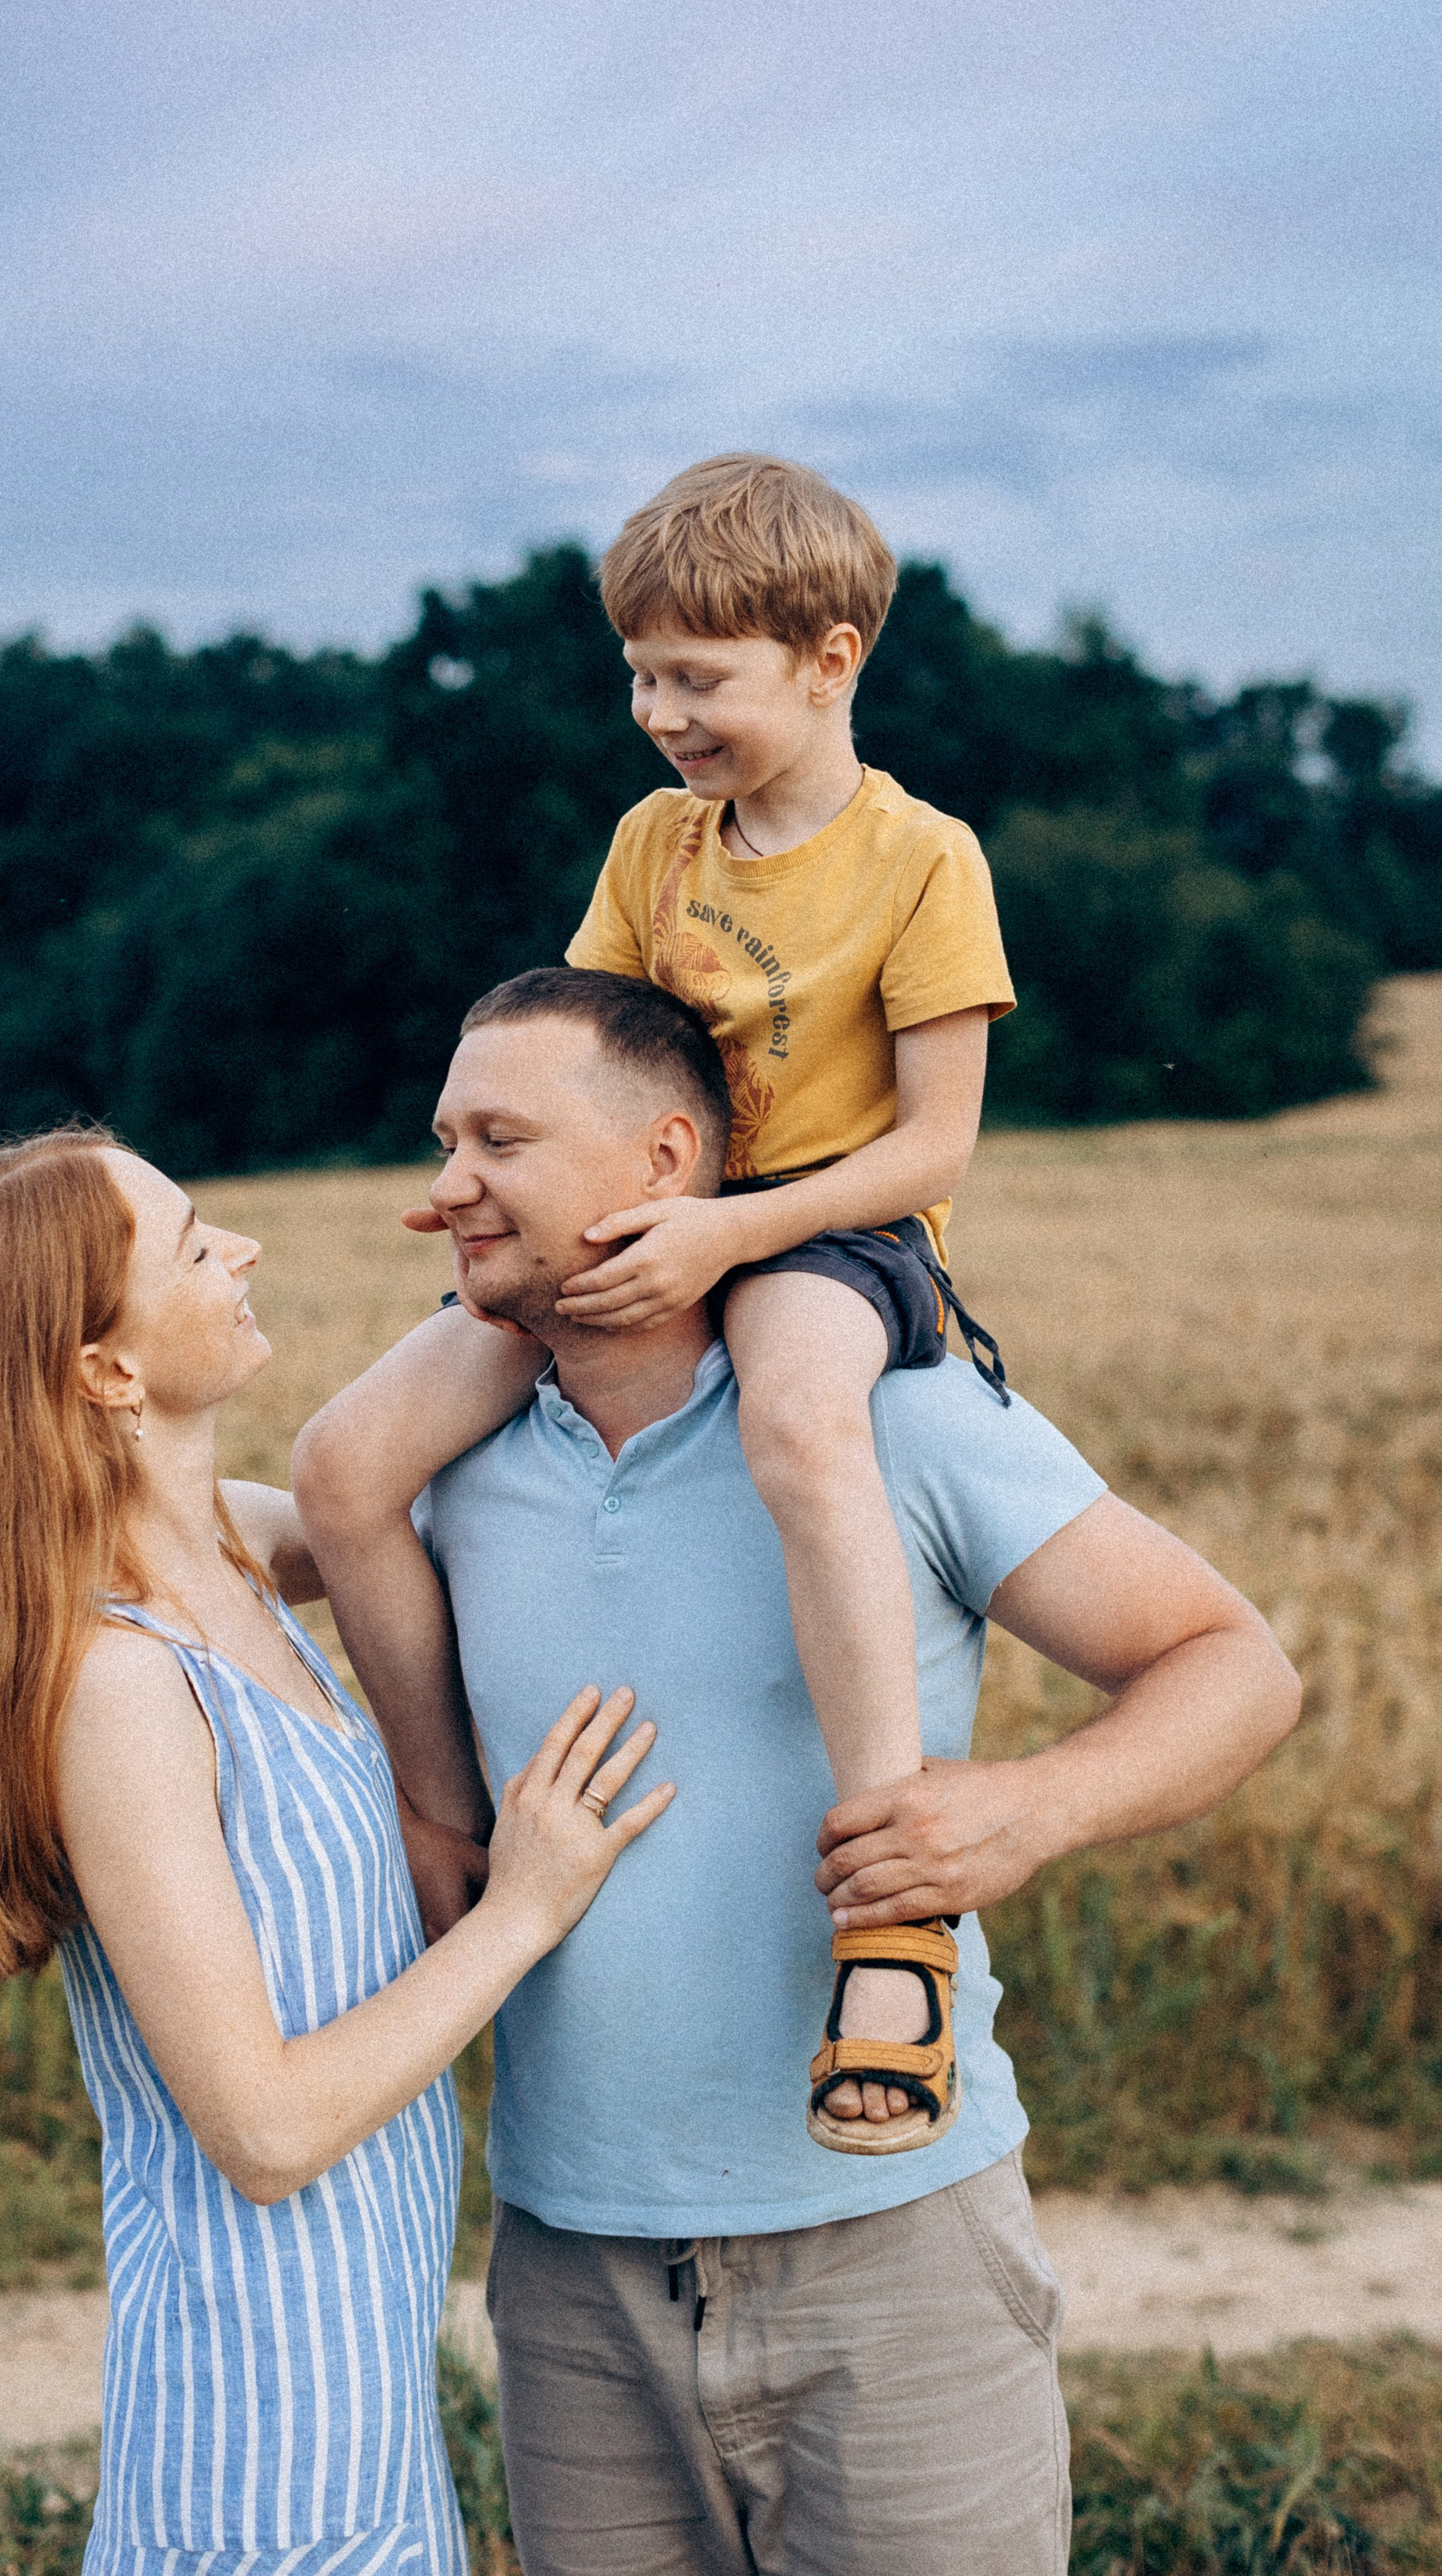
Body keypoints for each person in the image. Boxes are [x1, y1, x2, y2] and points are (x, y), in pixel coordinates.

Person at [294, 970, 1301, 2576]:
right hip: (570, 2270)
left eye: (500, 1141)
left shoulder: (893, 1422)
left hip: (891, 2252)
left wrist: (1029, 1810)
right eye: (443, 1142)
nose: (449, 1186)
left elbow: (1233, 1665)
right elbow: (228, 1540)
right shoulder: (448, 1472)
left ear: (666, 1160)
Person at [297, 453, 1017, 2145]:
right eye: (639, 676)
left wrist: (725, 1233)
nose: (658, 715)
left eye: (696, 679)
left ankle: (892, 1902)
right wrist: (500, 1181)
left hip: (828, 1233)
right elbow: (583, 1055)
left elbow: (931, 1148)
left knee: (800, 1422)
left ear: (828, 660)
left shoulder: (923, 861)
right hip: (643, 1217)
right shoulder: (652, 841)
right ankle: (446, 1823)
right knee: (342, 1462)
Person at [0, 1125, 673, 2576]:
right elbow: (264, 2133)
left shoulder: (227, 1554)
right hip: (262, 2459)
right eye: (191, 1245)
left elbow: (369, 1479)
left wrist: (553, 1247)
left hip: (359, 2410)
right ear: (106, 1372)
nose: (243, 1250)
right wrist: (522, 1910)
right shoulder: (119, 1686)